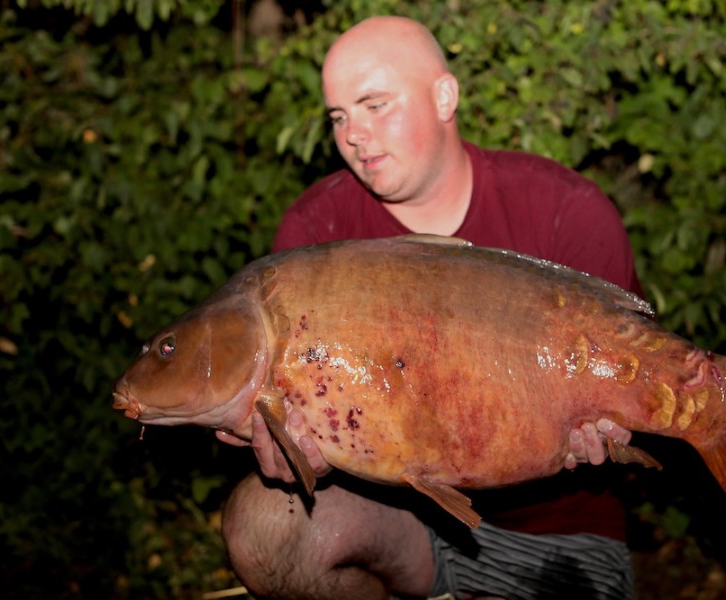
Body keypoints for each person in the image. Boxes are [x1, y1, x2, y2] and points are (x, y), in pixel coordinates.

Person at [219, 15, 643, 600]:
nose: (354, 135)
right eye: (339, 117)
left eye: (374, 105)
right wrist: (296, 452)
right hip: (396, 518)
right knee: (265, 526)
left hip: (561, 529)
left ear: (445, 96)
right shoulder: (316, 231)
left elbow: (629, 376)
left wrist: (612, 423)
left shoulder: (564, 210)